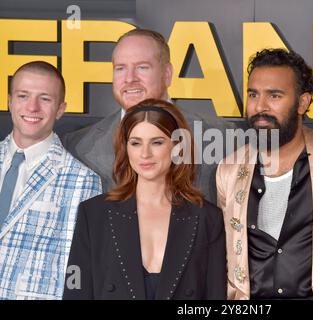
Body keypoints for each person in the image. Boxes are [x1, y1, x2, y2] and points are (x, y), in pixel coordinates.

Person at [216, 48, 313, 300]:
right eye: (253, 94)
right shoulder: (229, 168)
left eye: (274, 95)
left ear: (303, 102)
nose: (260, 106)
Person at [63, 98, 226, 300]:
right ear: (125, 148)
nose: (145, 154)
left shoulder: (207, 218)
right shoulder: (94, 214)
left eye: (157, 142)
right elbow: (76, 292)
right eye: (135, 143)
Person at [63, 28, 232, 203]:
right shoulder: (78, 146)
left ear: (167, 74)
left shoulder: (220, 136)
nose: (129, 78)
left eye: (142, 67)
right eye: (120, 68)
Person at [0, 61, 102, 300]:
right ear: (9, 101)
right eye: (23, 95)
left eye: (45, 98)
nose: (32, 107)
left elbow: (77, 269)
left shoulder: (83, 181)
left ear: (60, 109)